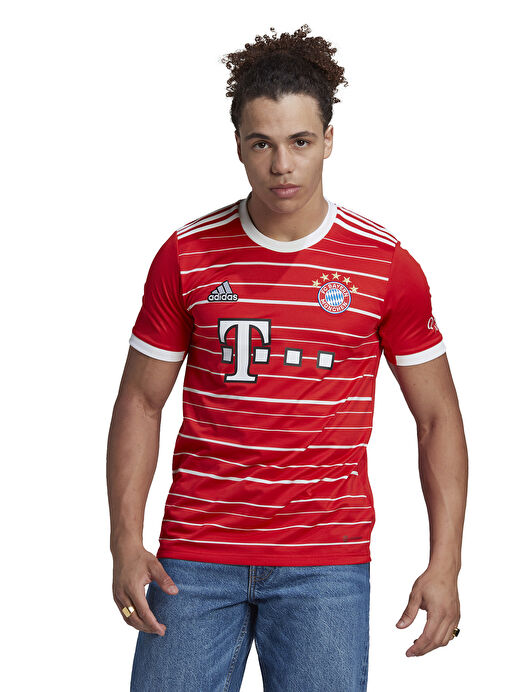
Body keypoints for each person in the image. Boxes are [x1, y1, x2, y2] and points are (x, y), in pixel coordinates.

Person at [106, 24, 467, 692]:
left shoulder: (384, 264)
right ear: (238, 145)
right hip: (194, 556)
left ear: (328, 140)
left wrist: (444, 563)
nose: (281, 165)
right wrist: (124, 540)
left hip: (324, 564)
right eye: (261, 144)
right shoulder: (186, 255)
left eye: (300, 142)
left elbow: (437, 417)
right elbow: (141, 401)